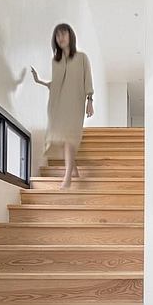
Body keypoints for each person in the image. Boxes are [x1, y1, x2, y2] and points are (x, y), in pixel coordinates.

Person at [30, 23, 94, 189]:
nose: (61, 38)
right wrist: (39, 81)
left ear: (70, 36)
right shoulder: (55, 61)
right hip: (57, 104)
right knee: (65, 137)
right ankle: (73, 169)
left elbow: (87, 78)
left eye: (63, 34)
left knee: (70, 136)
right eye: (57, 35)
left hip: (75, 103)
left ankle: (67, 178)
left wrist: (90, 100)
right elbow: (57, 84)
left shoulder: (82, 58)